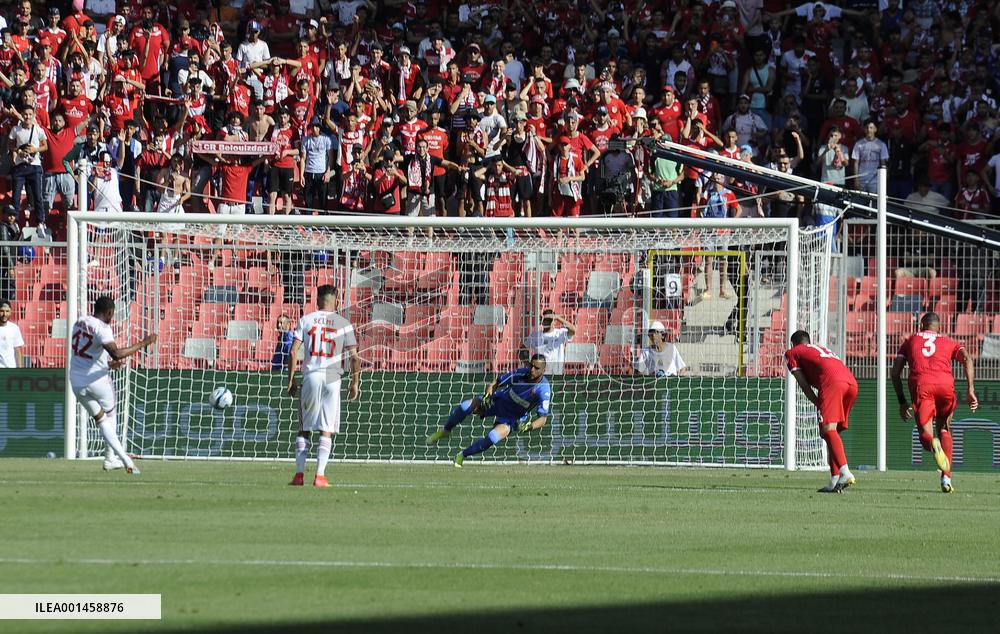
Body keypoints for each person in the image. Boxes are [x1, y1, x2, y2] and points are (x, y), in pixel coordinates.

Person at [891, 312, 978, 493]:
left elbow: (895, 373)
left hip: (922, 385)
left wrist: (902, 401)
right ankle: (946, 478)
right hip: (945, 386)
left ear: (921, 326)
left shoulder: (910, 341)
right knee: (945, 428)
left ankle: (933, 445)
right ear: (938, 327)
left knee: (926, 435)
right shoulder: (948, 342)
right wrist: (970, 390)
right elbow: (968, 358)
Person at [70, 296, 156, 473]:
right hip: (98, 381)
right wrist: (143, 343)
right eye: (113, 313)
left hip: (77, 382)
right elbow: (116, 353)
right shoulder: (103, 329)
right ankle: (114, 458)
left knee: (101, 420)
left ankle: (118, 459)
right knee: (110, 418)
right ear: (109, 312)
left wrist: (108, 364)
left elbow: (86, 355)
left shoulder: (79, 321)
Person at [286, 284, 361, 487]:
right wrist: (355, 383)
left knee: (304, 428)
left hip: (311, 373)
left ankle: (299, 475)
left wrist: (291, 380)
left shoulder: (306, 320)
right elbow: (354, 357)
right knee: (326, 428)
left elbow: (293, 352)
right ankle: (319, 476)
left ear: (317, 300)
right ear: (336, 301)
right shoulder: (343, 322)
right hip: (332, 375)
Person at [426, 354, 552, 468]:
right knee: (465, 406)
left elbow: (543, 419)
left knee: (492, 437)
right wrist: (487, 396)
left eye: (536, 368)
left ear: (543, 370)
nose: (532, 370)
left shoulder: (543, 389)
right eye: (531, 365)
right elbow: (496, 383)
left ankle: (462, 455)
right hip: (499, 402)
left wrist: (528, 426)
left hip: (513, 417)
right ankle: (446, 431)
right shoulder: (520, 373)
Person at [785, 331, 858, 493]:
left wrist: (818, 403)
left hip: (832, 383)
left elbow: (803, 384)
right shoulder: (821, 349)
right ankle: (834, 479)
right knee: (832, 433)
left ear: (793, 344)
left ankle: (845, 472)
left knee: (827, 429)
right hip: (851, 383)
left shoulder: (792, 352)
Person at [523, 310, 577, 375]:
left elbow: (573, 331)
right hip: (540, 375)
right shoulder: (535, 336)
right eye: (545, 320)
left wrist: (558, 318)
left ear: (554, 321)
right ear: (541, 321)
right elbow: (522, 350)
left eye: (549, 320)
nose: (547, 322)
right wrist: (528, 364)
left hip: (556, 373)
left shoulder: (560, 333)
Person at [0, 299, 24, 368]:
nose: (4, 314)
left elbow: (18, 351)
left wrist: (20, 370)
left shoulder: (14, 328)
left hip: (10, 370)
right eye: (2, 311)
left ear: (10, 312)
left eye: (7, 311)